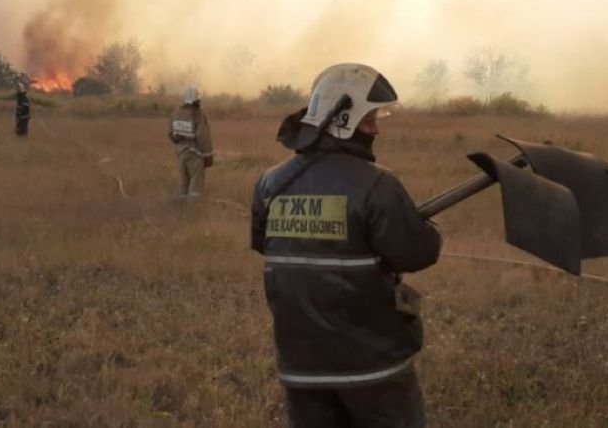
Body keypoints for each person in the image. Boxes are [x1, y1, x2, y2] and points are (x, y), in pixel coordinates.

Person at [250, 63, 442, 427]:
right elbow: (418, 253)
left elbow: (266, 245)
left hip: (301, 366)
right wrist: (425, 228)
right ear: (342, 120)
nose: (376, 129)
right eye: (369, 120)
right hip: (374, 369)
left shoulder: (269, 184)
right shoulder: (378, 185)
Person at [168, 86, 214, 198]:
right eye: (198, 100)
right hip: (195, 154)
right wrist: (208, 156)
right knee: (196, 187)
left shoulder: (175, 114)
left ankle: (181, 209)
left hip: (181, 154)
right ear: (195, 100)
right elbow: (203, 137)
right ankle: (193, 210)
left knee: (183, 185)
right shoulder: (198, 114)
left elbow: (171, 134)